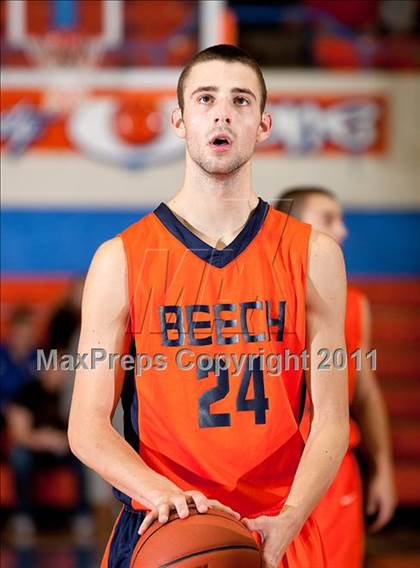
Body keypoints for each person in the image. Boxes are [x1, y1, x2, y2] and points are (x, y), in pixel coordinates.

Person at [68, 44, 349, 568]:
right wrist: (161, 493)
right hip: (163, 528)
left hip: (277, 531)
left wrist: (291, 516)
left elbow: (331, 418)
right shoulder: (120, 260)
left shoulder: (314, 254)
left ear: (263, 124)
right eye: (205, 98)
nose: (222, 112)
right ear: (179, 120)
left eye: (241, 100)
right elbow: (86, 426)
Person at [276, 186, 396, 567]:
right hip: (272, 473)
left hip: (334, 472)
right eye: (328, 219)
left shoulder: (354, 305)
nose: (342, 231)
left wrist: (383, 468)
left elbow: (365, 394)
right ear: (292, 228)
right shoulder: (255, 303)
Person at [6, 353, 92, 538]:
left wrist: (63, 440)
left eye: (64, 369)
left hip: (59, 449)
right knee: (19, 457)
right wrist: (44, 440)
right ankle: (23, 515)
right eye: (57, 368)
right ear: (44, 369)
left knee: (83, 455)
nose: (61, 374)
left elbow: (79, 430)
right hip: (33, 449)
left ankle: (82, 515)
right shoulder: (26, 392)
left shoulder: (67, 396)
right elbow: (21, 435)